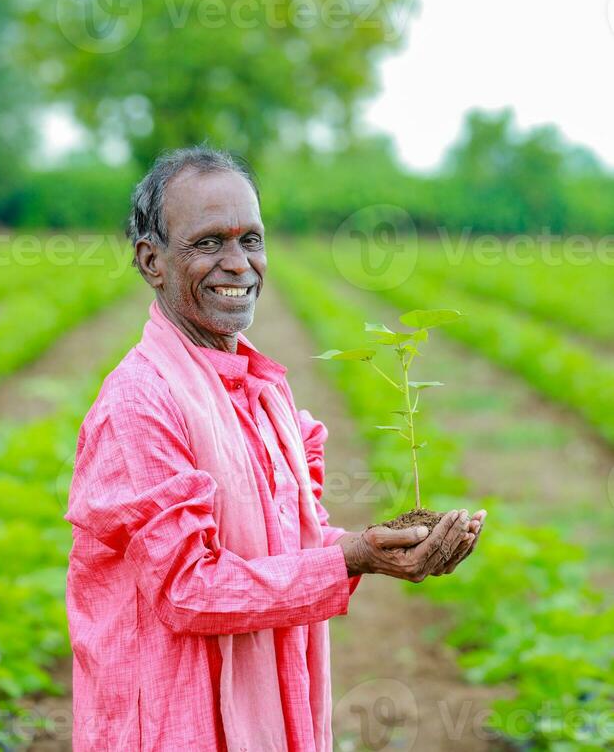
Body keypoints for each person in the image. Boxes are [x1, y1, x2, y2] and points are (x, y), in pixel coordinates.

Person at [64, 143, 486, 752]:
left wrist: (372, 548)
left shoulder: (262, 390)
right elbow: (189, 589)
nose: (238, 264)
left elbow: (291, 544)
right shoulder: (140, 402)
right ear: (151, 260)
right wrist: (352, 559)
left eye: (251, 240)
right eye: (208, 243)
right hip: (166, 723)